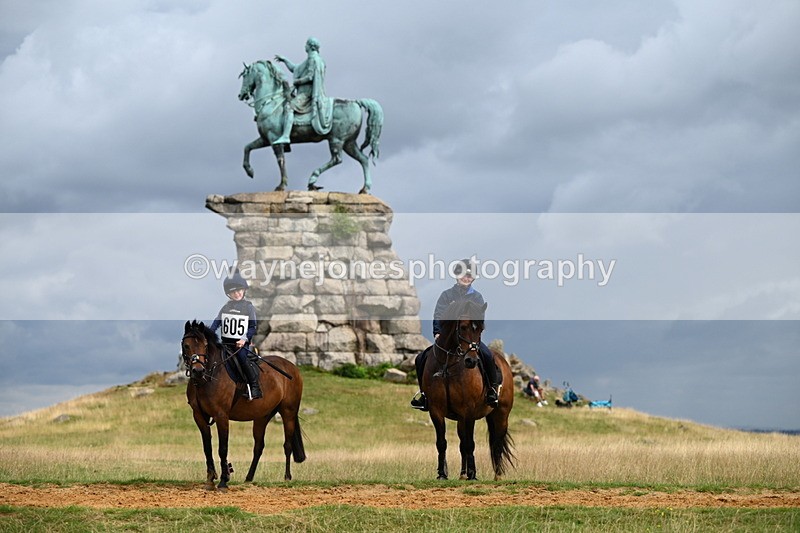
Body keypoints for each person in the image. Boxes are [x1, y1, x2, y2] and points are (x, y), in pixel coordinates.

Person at [410, 259, 501, 411]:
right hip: (448, 339)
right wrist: (437, 332)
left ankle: (491, 391)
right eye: (463, 274)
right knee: (421, 358)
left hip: (469, 338)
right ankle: (424, 395)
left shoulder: (476, 297)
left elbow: (479, 320)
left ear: (473, 278)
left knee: (488, 356)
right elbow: (438, 314)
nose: (466, 278)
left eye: (469, 275)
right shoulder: (447, 295)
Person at [209, 270, 262, 400]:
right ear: (229, 294)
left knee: (242, 358)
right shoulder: (225, 307)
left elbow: (252, 327)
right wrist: (209, 334)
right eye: (233, 292)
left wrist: (243, 339)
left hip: (240, 345)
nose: (236, 293)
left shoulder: (248, 307)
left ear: (244, 290)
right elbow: (217, 322)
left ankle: (254, 387)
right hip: (226, 344)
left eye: (239, 290)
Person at [273, 36, 333, 144]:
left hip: (307, 94)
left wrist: (297, 81)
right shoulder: (317, 59)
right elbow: (295, 68)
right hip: (307, 92)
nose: (304, 46)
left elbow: (310, 77)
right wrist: (285, 60)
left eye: (306, 44)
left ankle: (286, 136)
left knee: (289, 107)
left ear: (310, 46)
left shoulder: (312, 59)